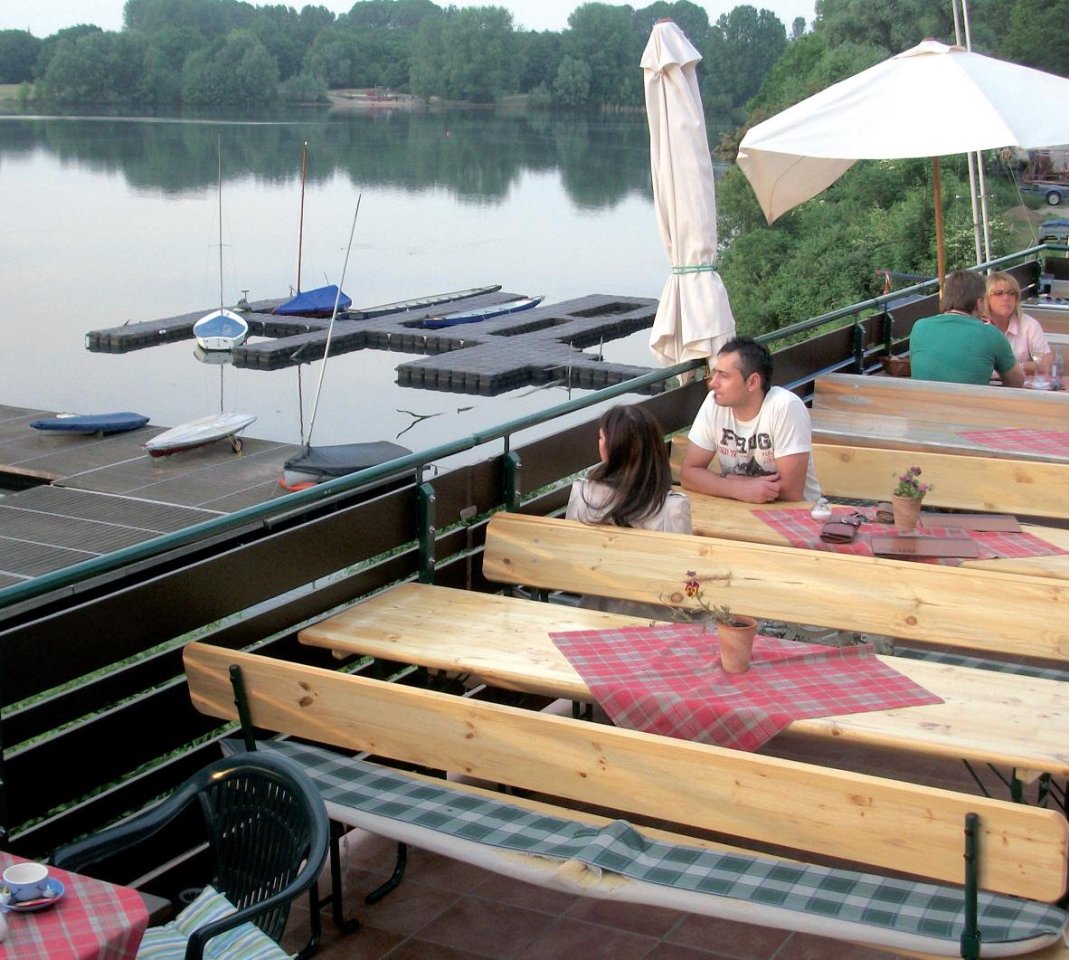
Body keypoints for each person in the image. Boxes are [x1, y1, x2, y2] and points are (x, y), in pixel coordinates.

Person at [566, 404, 691, 618]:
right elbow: (686, 577)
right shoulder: (673, 507)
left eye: (601, 438)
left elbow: (570, 559)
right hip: (657, 617)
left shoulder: (583, 493)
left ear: (610, 449)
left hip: (593, 612)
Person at [680, 336, 821, 503]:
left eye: (724, 376)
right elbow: (688, 474)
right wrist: (737, 488)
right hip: (739, 510)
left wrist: (728, 480)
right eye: (714, 373)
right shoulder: (714, 402)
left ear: (753, 382)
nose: (713, 383)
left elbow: (791, 492)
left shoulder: (785, 407)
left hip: (795, 516)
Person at [909, 270, 1025, 387]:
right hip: (968, 404)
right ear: (979, 303)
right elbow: (1016, 382)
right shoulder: (991, 335)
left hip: (922, 403)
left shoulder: (919, 327)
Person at [983, 271, 1053, 378]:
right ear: (986, 298)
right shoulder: (978, 325)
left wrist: (1015, 367)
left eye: (1011, 293)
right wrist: (1023, 367)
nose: (1006, 298)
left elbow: (1045, 364)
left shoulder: (1029, 325)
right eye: (999, 293)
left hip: (1020, 390)